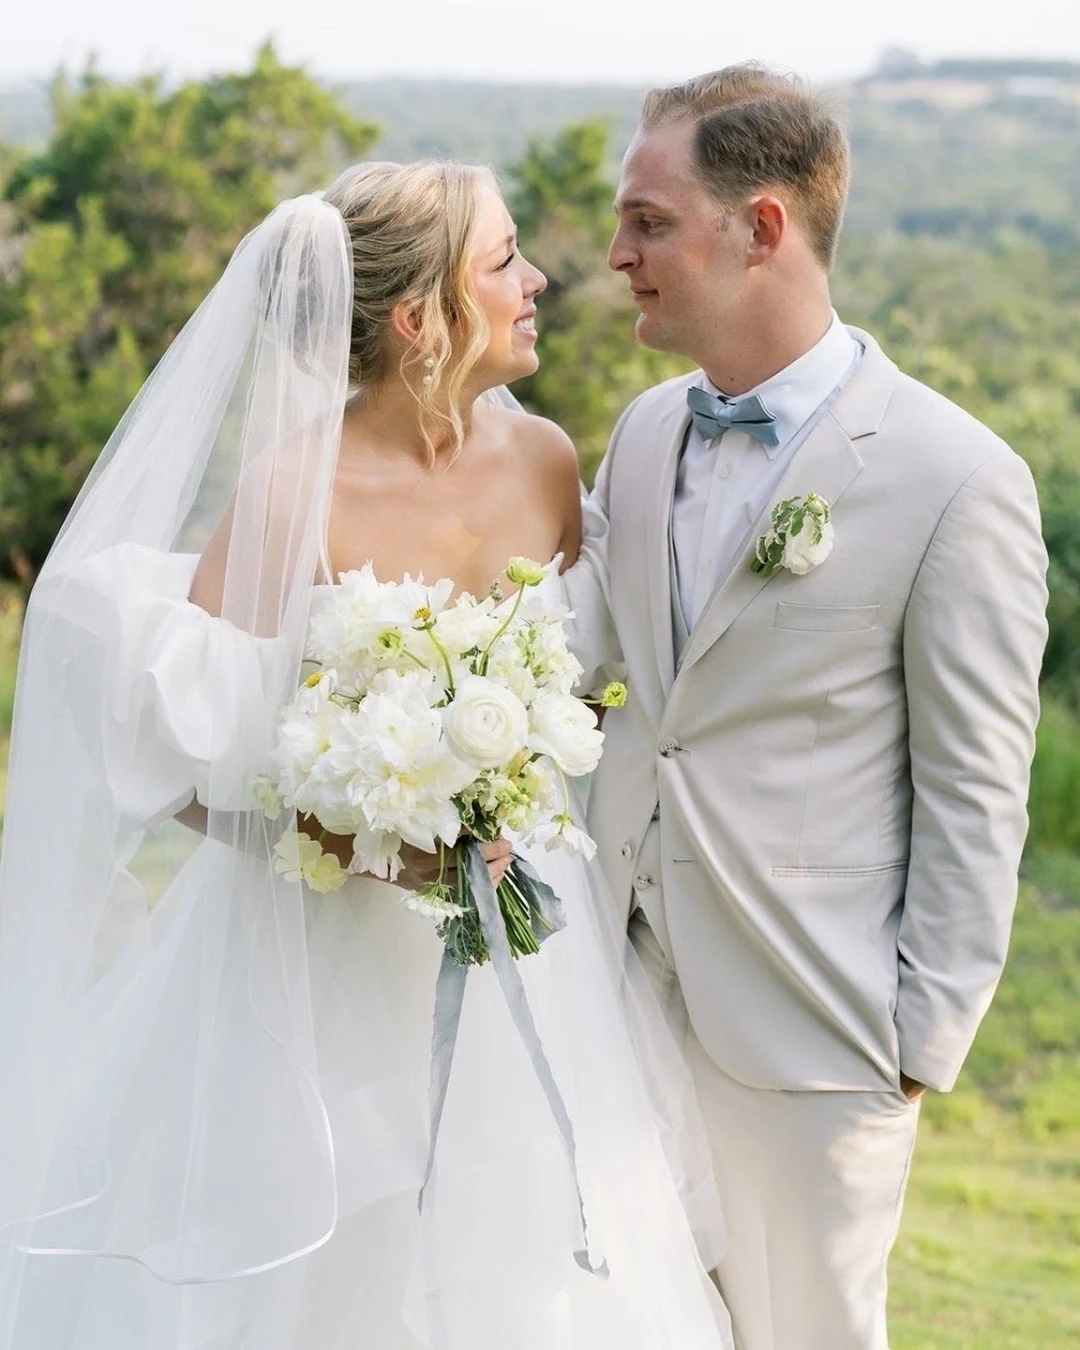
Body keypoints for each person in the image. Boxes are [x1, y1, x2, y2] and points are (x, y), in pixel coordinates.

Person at [0, 162, 734, 1348]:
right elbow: (204, 770)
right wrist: (354, 835)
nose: (541, 278)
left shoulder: (548, 463)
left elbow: (586, 692)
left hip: (520, 951)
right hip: (320, 972)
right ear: (420, 318)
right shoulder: (289, 495)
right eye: (504, 262)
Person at [570, 63, 1050, 1350]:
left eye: (649, 221)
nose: (618, 253)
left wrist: (914, 1042)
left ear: (763, 227)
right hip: (613, 999)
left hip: (812, 1041)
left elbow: (977, 786)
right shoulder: (641, 433)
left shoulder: (957, 480)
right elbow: (590, 684)